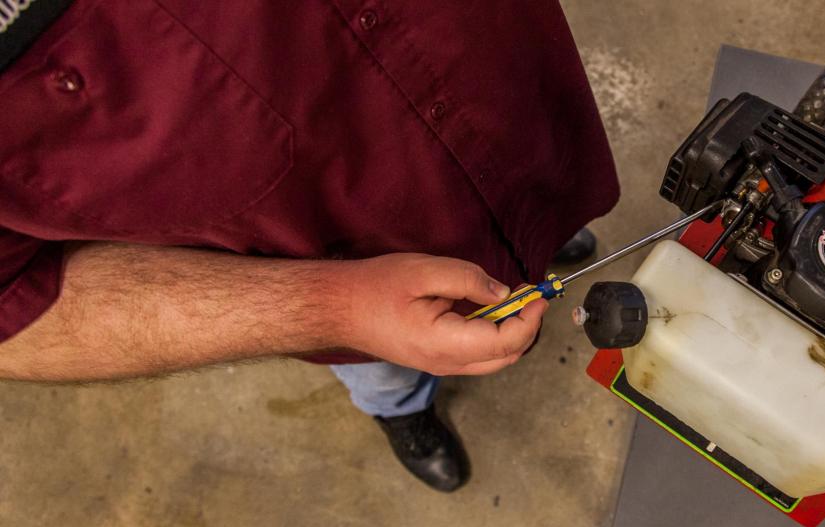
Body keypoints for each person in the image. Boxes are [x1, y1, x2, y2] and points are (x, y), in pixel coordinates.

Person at [0, 1, 619, 493]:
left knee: (545, 202)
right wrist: (337, 309)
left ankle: (540, 235)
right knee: (386, 369)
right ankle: (402, 411)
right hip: (341, 259)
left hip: (507, 109)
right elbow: (13, 306)